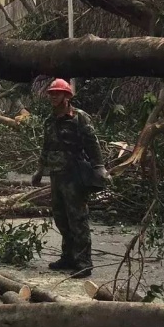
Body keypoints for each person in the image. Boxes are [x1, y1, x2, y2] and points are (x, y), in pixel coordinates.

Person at [32, 78, 110, 278]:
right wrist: (40, 170)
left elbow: (92, 143)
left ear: (67, 96)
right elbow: (46, 147)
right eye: (51, 93)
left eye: (57, 93)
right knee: (61, 218)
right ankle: (68, 257)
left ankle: (83, 262)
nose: (53, 96)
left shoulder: (79, 117)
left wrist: (99, 167)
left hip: (74, 175)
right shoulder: (49, 120)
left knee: (78, 219)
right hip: (57, 175)